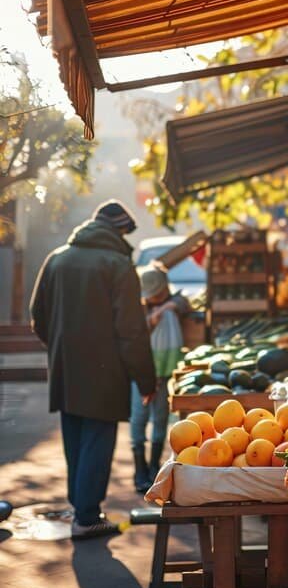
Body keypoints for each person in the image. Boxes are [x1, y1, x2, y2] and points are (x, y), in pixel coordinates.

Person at [30, 199, 156, 540]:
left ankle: (82, 510)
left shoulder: (56, 259)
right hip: (105, 371)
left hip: (66, 368)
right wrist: (146, 379)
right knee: (98, 441)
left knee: (75, 439)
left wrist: (61, 348)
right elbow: (131, 331)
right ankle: (86, 517)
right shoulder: (117, 265)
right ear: (119, 231)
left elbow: (37, 316)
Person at [131, 265, 190, 493]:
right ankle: (139, 469)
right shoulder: (136, 310)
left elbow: (183, 303)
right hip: (141, 369)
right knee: (139, 417)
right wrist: (150, 321)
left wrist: (165, 307)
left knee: (160, 419)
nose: (154, 298)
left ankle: (154, 466)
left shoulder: (174, 304)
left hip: (166, 372)